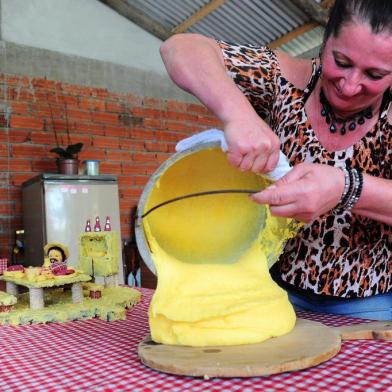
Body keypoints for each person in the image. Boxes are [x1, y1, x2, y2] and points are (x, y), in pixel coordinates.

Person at [159, 0, 392, 320]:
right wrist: (238, 114)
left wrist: (344, 187)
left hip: (370, 304)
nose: (350, 85)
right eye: (341, 61)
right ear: (326, 42)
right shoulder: (284, 80)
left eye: (375, 74)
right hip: (270, 289)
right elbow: (180, 48)